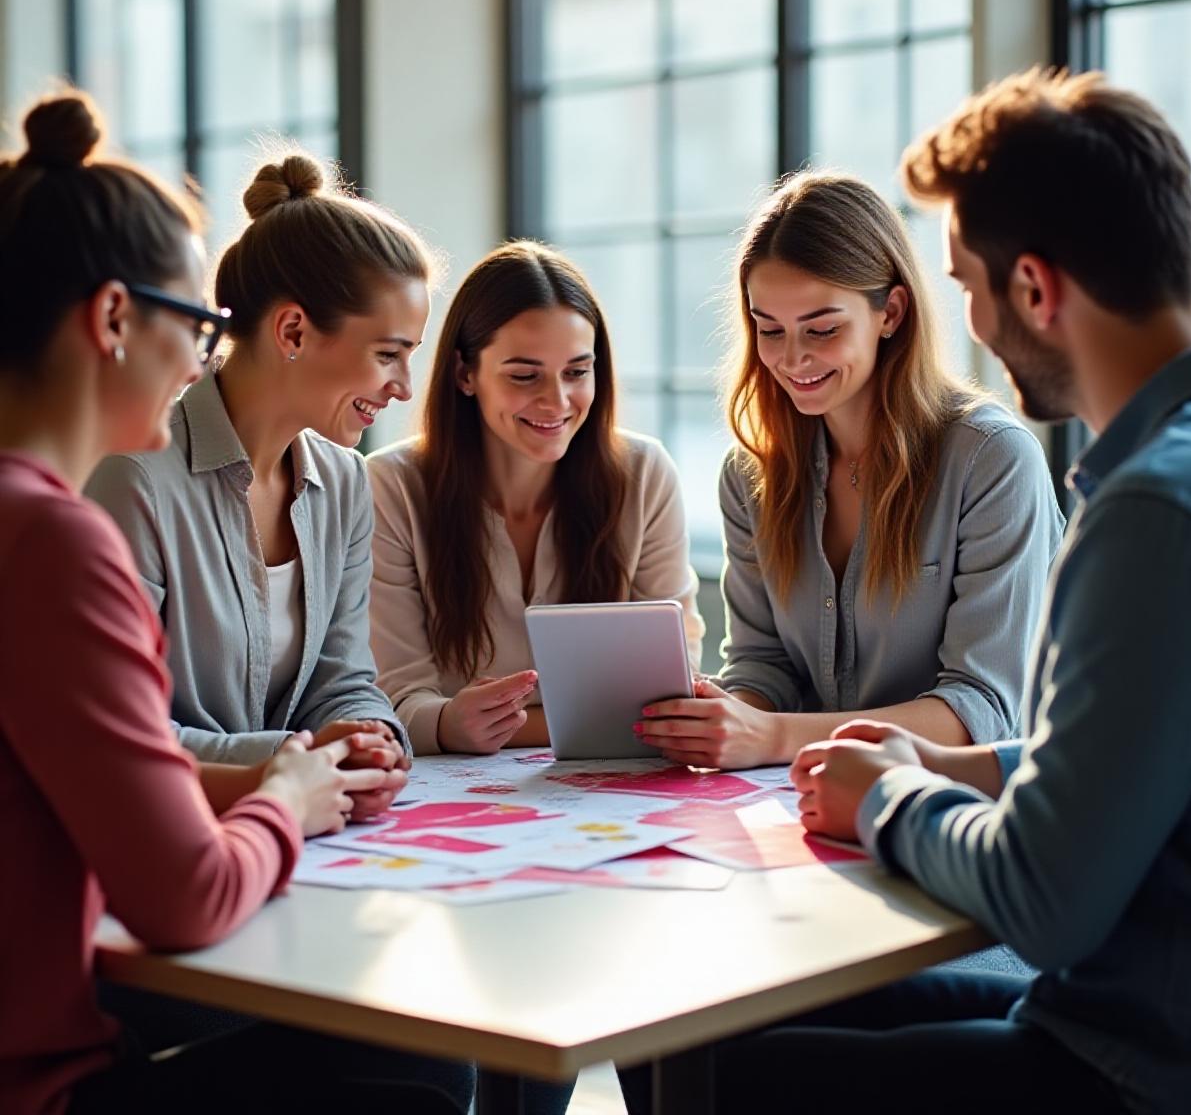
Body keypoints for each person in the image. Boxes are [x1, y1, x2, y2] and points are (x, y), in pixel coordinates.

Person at [733, 70, 1191, 1113]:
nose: (970, 323)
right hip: (1156, 1014)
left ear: (1033, 287)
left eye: (968, 286)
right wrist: (955, 762)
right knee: (730, 1022)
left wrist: (887, 796)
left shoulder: (1158, 506)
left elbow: (1044, 900)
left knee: (723, 1068)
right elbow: (1147, 735)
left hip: (1142, 1061)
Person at [0, 90, 471, 1113]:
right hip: (51, 1067)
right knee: (423, 1069)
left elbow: (344, 670)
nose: (199, 354)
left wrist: (354, 733)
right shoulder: (58, 530)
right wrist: (290, 791)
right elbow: (184, 894)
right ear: (115, 319)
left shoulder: (336, 483)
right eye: (199, 321)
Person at [635, 171, 1062, 770]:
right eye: (769, 329)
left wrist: (775, 736)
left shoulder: (991, 460)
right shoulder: (751, 473)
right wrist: (724, 717)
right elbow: (764, 667)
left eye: (822, 329)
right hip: (804, 800)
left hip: (961, 809)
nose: (792, 358)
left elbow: (980, 709)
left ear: (890, 312)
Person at [87, 150, 433, 780]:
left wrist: (371, 734)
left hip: (302, 818)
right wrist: (293, 761)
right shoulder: (134, 479)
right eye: (389, 354)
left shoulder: (347, 482)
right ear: (294, 332)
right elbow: (111, 731)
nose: (404, 388)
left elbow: (345, 678)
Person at [369, 239, 703, 756]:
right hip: (449, 796)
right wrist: (443, 723)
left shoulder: (645, 474)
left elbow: (672, 689)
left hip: (612, 788)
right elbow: (393, 702)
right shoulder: (390, 488)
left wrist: (464, 722)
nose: (556, 401)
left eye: (577, 372)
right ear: (465, 374)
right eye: (524, 376)